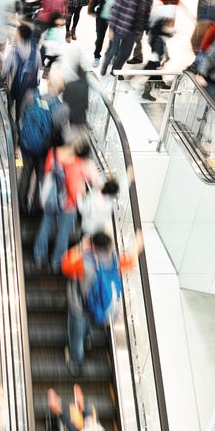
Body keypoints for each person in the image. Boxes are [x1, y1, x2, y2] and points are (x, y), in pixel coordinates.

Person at [61, 232, 143, 374]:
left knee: (76, 335)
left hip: (79, 305)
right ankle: (87, 337)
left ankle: (75, 362)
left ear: (92, 245)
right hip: (98, 307)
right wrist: (136, 245)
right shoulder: (116, 261)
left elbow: (65, 264)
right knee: (87, 323)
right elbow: (131, 262)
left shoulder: (85, 264)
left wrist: (81, 246)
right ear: (109, 246)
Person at [33, 141, 95, 272]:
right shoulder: (78, 164)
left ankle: (39, 255)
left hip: (51, 199)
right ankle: (57, 262)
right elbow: (79, 188)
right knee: (63, 233)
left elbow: (47, 172)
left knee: (45, 227)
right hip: (69, 204)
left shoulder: (53, 152)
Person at [99, 0, 154, 77]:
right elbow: (116, 10)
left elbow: (146, 14)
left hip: (132, 31)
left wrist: (143, 29)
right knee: (113, 50)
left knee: (125, 54)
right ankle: (105, 64)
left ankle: (115, 70)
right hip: (119, 27)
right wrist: (111, 29)